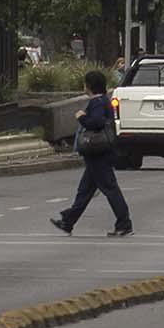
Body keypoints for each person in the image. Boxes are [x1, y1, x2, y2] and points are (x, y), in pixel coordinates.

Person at [51, 69, 132, 238]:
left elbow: (96, 122)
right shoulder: (104, 101)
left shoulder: (97, 102)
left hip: (98, 152)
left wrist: (81, 117)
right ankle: (68, 221)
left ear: (89, 86)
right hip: (99, 153)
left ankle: (124, 223)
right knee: (85, 190)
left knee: (110, 188)